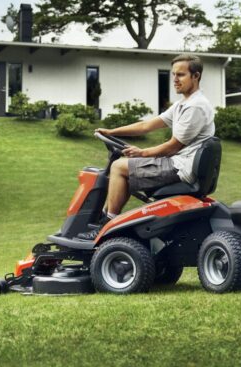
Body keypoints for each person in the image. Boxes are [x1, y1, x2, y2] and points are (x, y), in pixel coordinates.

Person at [80, 54, 215, 239]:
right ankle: (109, 221)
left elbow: (173, 146)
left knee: (119, 166)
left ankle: (106, 226)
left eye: (181, 75)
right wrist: (112, 132)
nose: (175, 80)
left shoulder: (195, 107)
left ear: (196, 76)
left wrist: (142, 153)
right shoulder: (182, 104)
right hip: (178, 163)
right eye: (173, 74)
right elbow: (147, 126)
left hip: (180, 167)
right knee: (125, 167)